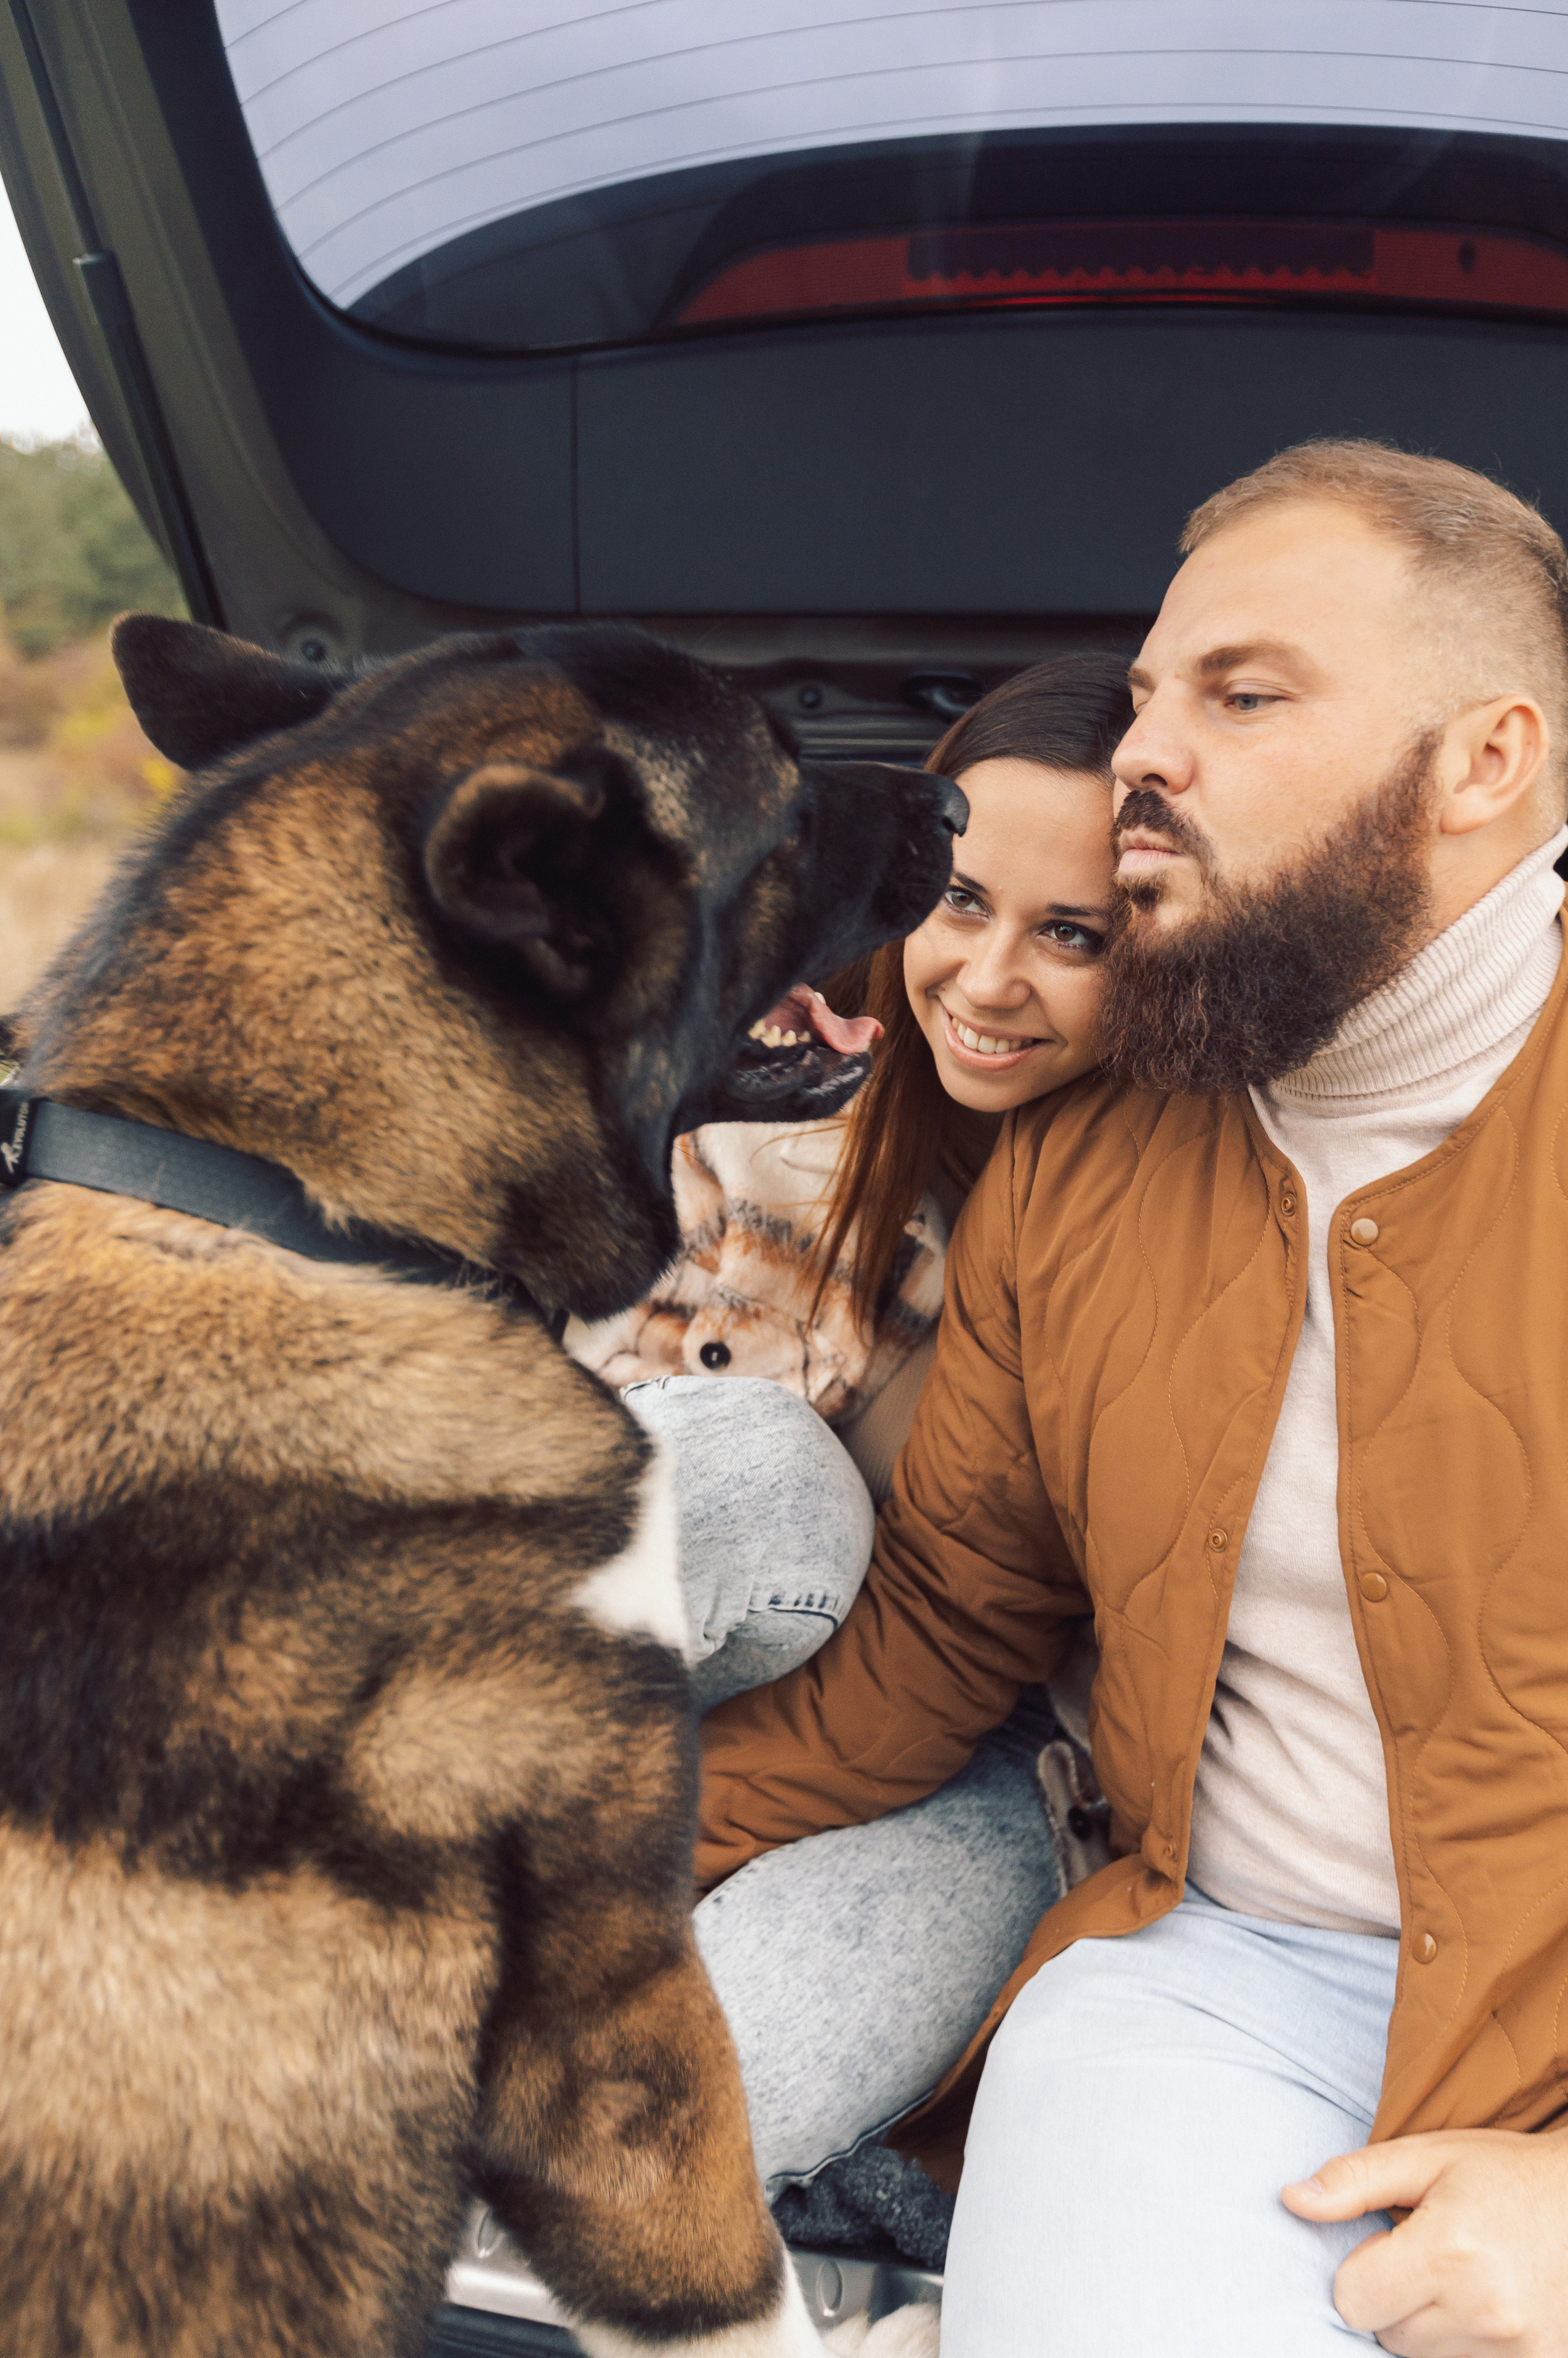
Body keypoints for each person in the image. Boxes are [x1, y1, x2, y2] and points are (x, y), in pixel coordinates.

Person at [697, 439, 1568, 2356]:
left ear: (1485, 762)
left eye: (1244, 697)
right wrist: (530, 1853)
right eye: (1156, 690)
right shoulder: (1084, 1174)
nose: (1148, 752)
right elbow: (939, 1638)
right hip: (1221, 1974)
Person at [570, 655, 1131, 2205]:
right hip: (659, 1677)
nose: (988, 979)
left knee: (652, 2148)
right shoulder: (758, 1110)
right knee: (762, 1466)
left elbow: (970, 1642)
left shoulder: (1184, 1208)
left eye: (1072, 933)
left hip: (994, 1764)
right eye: (959, 903)